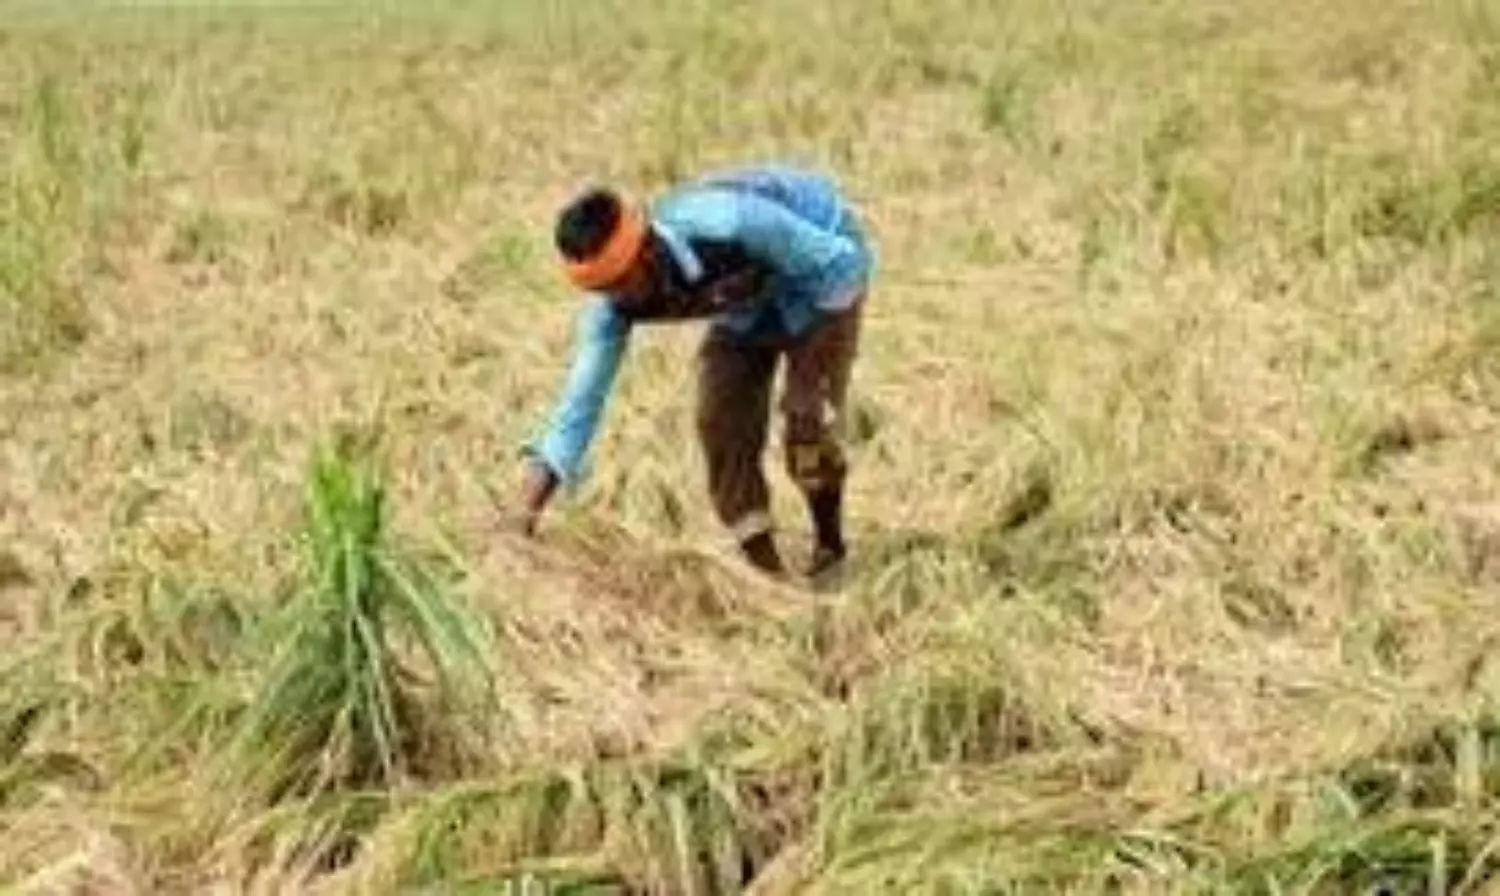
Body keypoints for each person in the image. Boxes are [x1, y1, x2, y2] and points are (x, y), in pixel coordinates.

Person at [499, 163, 875, 580]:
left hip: (821, 278)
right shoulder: (612, 305)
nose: (617, 300)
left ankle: (829, 547)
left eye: (623, 283)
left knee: (808, 422)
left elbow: (841, 264)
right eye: (602, 291)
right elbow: (578, 406)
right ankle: (769, 576)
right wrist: (524, 511)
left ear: (647, 250)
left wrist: (812, 363)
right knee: (720, 423)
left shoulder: (730, 224)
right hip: (742, 303)